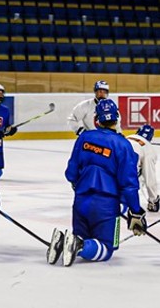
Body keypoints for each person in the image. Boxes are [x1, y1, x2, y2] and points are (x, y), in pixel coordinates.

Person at [48, 98, 145, 267]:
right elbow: (129, 185)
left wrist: (79, 184)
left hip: (81, 201)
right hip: (106, 204)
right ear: (117, 118)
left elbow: (71, 172)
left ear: (96, 119)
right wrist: (135, 212)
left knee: (83, 239)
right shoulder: (123, 145)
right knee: (107, 248)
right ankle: (77, 244)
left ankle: (65, 241)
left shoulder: (84, 137)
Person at [127, 124, 159, 212]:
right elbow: (150, 178)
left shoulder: (127, 138)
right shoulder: (150, 150)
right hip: (126, 176)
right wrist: (154, 199)